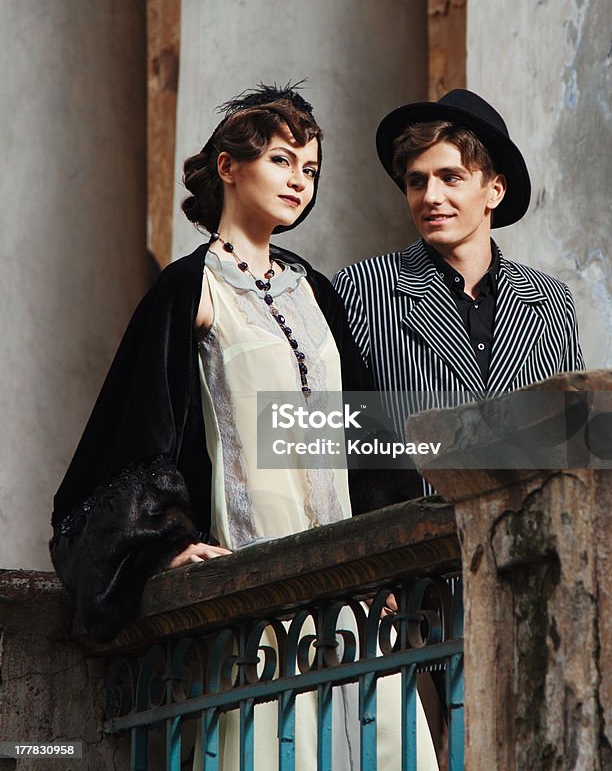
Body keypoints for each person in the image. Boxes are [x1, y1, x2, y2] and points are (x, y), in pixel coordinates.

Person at [50, 84, 437, 771]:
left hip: (350, 587)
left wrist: (390, 550)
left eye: (310, 169)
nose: (299, 181)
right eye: (282, 160)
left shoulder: (315, 290)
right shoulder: (190, 288)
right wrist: (166, 543)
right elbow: (134, 433)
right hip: (256, 583)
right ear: (229, 167)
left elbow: (361, 436)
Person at [333, 89, 584, 450]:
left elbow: (575, 434)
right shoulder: (362, 288)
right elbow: (336, 438)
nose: (431, 196)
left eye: (450, 178)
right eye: (417, 181)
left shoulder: (552, 301)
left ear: (494, 190)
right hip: (415, 506)